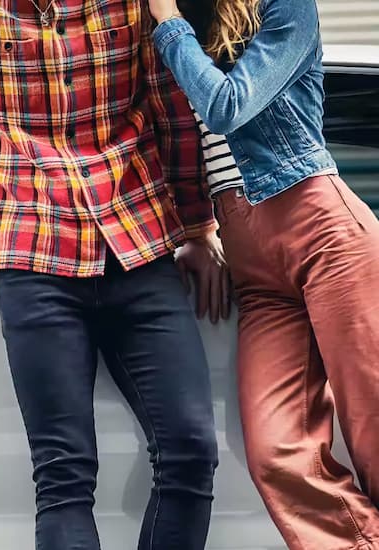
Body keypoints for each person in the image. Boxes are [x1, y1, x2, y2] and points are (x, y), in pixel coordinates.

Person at [0, 0, 231, 548]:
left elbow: (171, 108)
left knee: (190, 450)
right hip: (31, 251)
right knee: (64, 476)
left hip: (137, 241)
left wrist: (197, 225)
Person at [148, 0, 379, 547]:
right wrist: (197, 231)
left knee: (374, 434)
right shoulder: (184, 28)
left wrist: (167, 21)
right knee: (277, 452)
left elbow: (230, 106)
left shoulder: (287, 7)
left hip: (323, 235)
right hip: (254, 270)